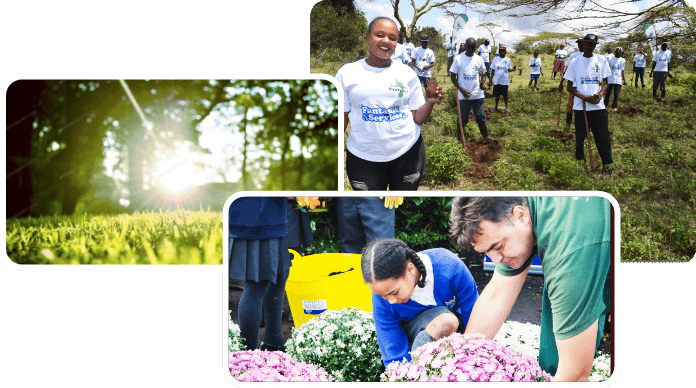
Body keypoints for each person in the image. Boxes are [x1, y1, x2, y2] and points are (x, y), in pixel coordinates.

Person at [448, 196, 612, 382]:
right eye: (487, 252)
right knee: (553, 359)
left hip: (598, 248)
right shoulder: (522, 209)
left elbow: (575, 374)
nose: (495, 260)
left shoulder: (567, 258)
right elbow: (496, 296)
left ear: (520, 215)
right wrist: (461, 364)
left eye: (499, 247)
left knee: (564, 359)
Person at [336, 17, 444, 191]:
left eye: (392, 38)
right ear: (367, 37)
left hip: (407, 153)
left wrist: (430, 100)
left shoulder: (407, 74)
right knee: (370, 208)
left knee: (402, 207)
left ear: (397, 44)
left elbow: (418, 118)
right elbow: (341, 119)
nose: (386, 41)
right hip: (362, 158)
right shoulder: (347, 73)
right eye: (379, 35)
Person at [361, 238, 479, 366]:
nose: (390, 301)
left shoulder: (449, 267)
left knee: (446, 322)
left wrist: (473, 359)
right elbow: (391, 346)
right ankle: (419, 369)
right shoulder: (383, 293)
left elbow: (475, 315)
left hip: (457, 333)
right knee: (445, 321)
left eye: (394, 292)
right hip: (413, 343)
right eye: (382, 295)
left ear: (410, 270)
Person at [229, 197, 292, 351]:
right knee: (257, 284)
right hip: (257, 217)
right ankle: (247, 356)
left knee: (279, 275)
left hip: (271, 215)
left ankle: (274, 343)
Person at [563, 33, 613, 172]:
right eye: (588, 44)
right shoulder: (574, 62)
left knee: (603, 138)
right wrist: (583, 97)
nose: (590, 47)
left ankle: (608, 165)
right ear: (583, 44)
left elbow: (605, 83)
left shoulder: (601, 60)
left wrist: (600, 94)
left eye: (593, 44)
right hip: (581, 107)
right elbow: (569, 87)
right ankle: (580, 163)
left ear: (595, 46)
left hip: (598, 106)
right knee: (580, 138)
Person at [450, 37, 494, 141]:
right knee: (462, 118)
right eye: (468, 47)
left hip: (477, 94)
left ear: (475, 47)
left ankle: (486, 136)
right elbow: (452, 77)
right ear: (465, 46)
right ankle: (460, 139)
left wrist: (483, 82)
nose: (470, 49)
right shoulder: (458, 58)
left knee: (480, 116)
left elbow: (483, 73)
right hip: (463, 94)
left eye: (472, 48)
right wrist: (462, 90)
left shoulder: (479, 59)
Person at [559, 39, 584, 129]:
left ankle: (582, 125)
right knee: (570, 104)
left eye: (582, 43)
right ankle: (568, 123)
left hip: (584, 85)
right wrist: (561, 82)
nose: (580, 45)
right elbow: (568, 70)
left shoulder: (589, 56)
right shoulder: (574, 55)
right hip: (573, 84)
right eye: (578, 44)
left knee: (583, 105)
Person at [490, 45, 516, 112]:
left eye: (503, 51)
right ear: (499, 52)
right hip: (497, 80)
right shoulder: (495, 59)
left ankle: (506, 107)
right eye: (501, 51)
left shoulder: (508, 60)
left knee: (505, 95)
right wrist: (491, 79)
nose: (502, 52)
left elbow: (508, 69)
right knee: (497, 95)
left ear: (505, 52)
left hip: (504, 80)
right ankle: (496, 106)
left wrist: (512, 70)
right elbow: (493, 69)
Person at [604, 47, 627, 112]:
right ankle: (605, 105)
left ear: (621, 52)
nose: (618, 52)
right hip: (610, 78)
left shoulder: (623, 60)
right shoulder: (610, 59)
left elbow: (622, 71)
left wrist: (624, 80)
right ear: (615, 52)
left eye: (619, 51)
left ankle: (614, 106)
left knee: (616, 94)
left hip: (618, 79)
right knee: (607, 93)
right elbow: (607, 68)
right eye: (617, 51)